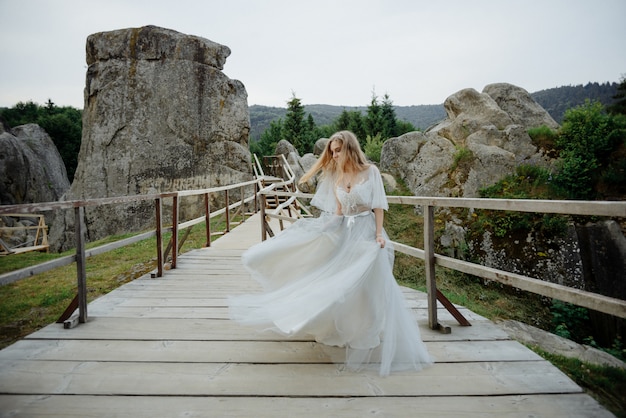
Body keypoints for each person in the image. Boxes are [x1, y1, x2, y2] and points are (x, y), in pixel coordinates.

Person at [229, 130, 433, 376]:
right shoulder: (337, 177)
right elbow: (338, 213)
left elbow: (379, 206)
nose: (335, 155)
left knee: (366, 285)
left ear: (350, 148)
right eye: (332, 152)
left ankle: (366, 332)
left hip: (367, 232)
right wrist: (319, 228)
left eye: (338, 150)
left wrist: (379, 234)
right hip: (344, 235)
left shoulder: (371, 172)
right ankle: (342, 328)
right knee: (342, 285)